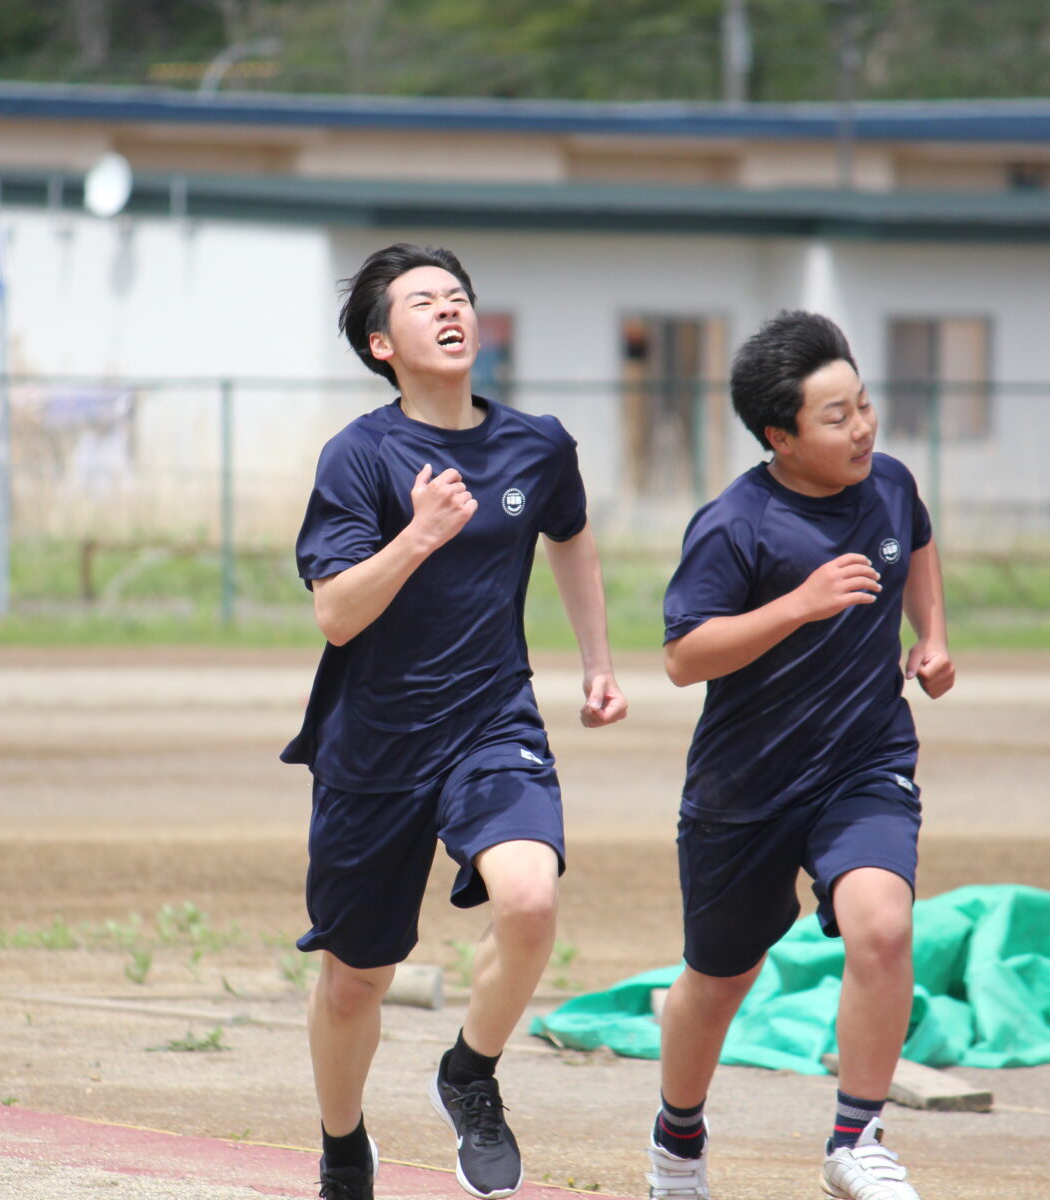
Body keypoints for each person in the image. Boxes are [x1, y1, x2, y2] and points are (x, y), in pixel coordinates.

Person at [283, 244, 628, 1200]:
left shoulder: (537, 445)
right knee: (358, 977)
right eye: (425, 302)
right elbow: (336, 613)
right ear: (381, 343)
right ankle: (344, 1147)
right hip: (376, 742)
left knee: (529, 898)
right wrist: (421, 532)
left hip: (491, 719)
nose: (451, 311)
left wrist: (597, 663)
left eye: (461, 297)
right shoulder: (361, 456)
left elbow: (570, 533)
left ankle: (469, 1072)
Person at [645, 312, 954, 1200]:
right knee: (718, 980)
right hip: (744, 789)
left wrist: (931, 636)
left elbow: (918, 543)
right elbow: (681, 656)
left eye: (863, 404)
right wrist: (799, 604)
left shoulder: (889, 485)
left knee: (883, 926)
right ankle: (678, 1140)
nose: (862, 428)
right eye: (835, 416)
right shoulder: (737, 524)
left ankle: (856, 1138)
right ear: (780, 436)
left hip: (864, 764)